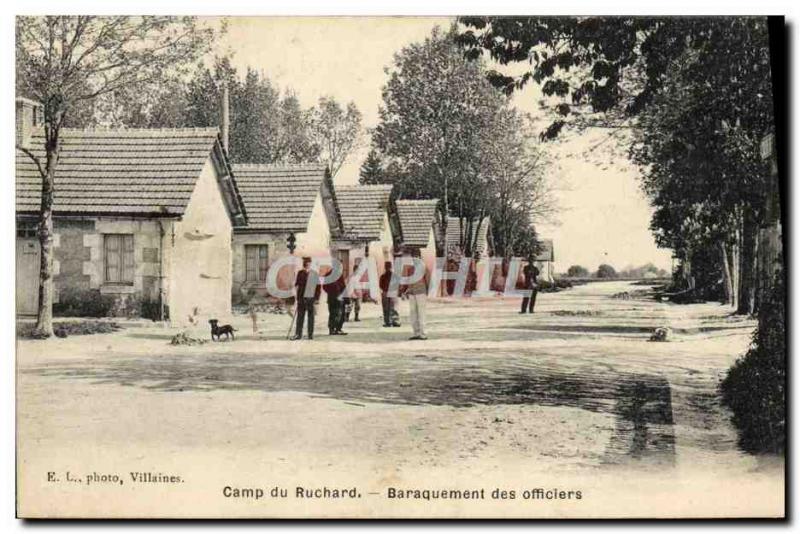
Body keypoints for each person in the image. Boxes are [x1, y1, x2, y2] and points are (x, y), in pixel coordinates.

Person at [400, 250, 429, 340]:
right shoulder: (410, 268)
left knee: (421, 313)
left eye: (416, 256)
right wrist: (404, 291)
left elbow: (428, 280)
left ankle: (423, 333)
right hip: (412, 292)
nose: (415, 259)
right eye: (413, 257)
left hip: (421, 292)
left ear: (420, 257)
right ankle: (416, 332)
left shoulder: (424, 267)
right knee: (413, 313)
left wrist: (427, 291)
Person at [292, 257, 321, 340]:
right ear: (303, 264)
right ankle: (298, 334)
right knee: (300, 316)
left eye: (308, 263)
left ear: (310, 264)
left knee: (311, 317)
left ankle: (310, 334)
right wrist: (297, 297)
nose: (307, 264)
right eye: (305, 263)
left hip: (311, 298)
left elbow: (318, 287)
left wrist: (316, 299)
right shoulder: (300, 273)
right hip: (301, 298)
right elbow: (297, 285)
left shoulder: (314, 273)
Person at [323, 267, 347, 335]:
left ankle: (338, 329)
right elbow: (325, 287)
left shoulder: (339, 274)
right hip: (332, 297)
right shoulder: (328, 275)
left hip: (339, 297)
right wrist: (331, 292)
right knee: (333, 313)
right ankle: (332, 329)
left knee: (340, 313)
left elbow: (343, 286)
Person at [379, 261, 400, 327]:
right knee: (393, 307)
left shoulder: (383, 276)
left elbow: (380, 285)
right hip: (392, 292)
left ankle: (388, 322)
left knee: (386, 308)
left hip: (386, 292)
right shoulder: (394, 276)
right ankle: (394, 321)